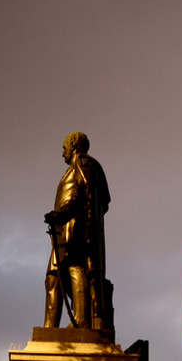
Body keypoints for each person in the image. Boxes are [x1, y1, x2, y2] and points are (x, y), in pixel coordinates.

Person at [44, 132, 111, 330]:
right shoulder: (78, 167)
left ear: (73, 146)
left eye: (64, 148)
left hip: (75, 232)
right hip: (62, 233)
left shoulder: (84, 164)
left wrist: (64, 214)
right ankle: (50, 327)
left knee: (75, 270)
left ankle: (81, 320)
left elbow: (85, 197)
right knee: (53, 277)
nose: (62, 153)